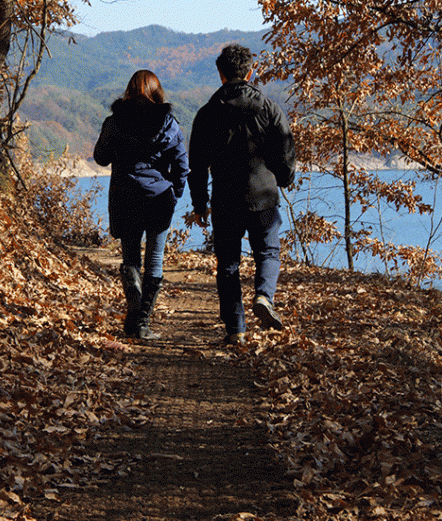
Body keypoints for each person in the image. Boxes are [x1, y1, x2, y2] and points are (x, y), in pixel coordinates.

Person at [188, 44, 296, 345]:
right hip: (263, 195)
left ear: (221, 75)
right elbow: (285, 151)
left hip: (224, 198)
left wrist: (199, 203)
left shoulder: (207, 114)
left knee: (228, 264)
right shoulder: (270, 110)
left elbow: (196, 165)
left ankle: (236, 329)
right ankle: (264, 295)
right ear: (250, 72)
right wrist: (284, 178)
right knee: (268, 252)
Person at [94, 69, 189, 340]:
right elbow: (182, 165)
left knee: (131, 258)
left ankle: (133, 314)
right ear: (157, 92)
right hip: (159, 198)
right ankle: (142, 322)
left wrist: (115, 149)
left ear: (128, 90)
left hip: (125, 196)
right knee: (155, 259)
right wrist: (175, 194)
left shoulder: (114, 122)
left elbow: (100, 158)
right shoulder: (169, 124)